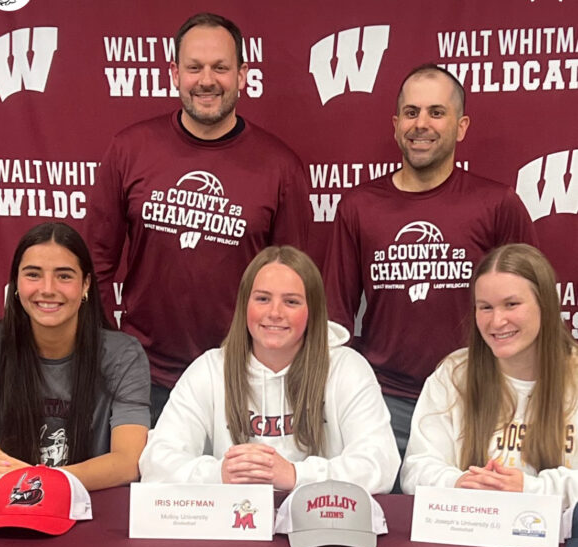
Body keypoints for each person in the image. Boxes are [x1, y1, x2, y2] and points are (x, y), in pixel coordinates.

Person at [88, 11, 310, 425]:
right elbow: (95, 263)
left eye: (221, 67)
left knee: (241, 490)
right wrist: (112, 345)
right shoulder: (129, 149)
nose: (207, 80)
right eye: (194, 67)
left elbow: (294, 281)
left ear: (243, 75)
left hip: (242, 375)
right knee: (142, 489)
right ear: (174, 73)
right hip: (143, 375)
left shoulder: (281, 167)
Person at [323, 63, 537, 459]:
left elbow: (530, 308)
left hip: (474, 399)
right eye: (411, 112)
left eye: (436, 112)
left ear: (461, 125)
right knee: (388, 519)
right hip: (385, 401)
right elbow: (335, 319)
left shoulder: (496, 204)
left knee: (469, 515)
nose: (421, 124)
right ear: (395, 124)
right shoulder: (359, 206)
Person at [139, 246, 399, 494]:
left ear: (313, 311)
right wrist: (221, 473)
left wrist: (296, 475)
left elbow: (380, 463)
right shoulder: (209, 369)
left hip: (320, 525)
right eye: (263, 299)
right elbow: (156, 462)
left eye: (291, 302)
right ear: (244, 306)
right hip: (233, 527)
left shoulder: (346, 369)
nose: (275, 313)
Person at [0, 222, 150, 494]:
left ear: (86, 284)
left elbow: (128, 462)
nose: (48, 289)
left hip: (90, 515)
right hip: (2, 513)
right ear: (15, 283)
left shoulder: (123, 356)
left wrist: (33, 478)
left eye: (64, 276)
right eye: (33, 275)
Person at [400, 244, 578, 507]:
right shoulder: (453, 374)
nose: (496, 322)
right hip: (470, 536)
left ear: (546, 304)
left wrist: (528, 489)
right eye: (485, 307)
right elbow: (416, 469)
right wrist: (459, 483)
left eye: (511, 304)